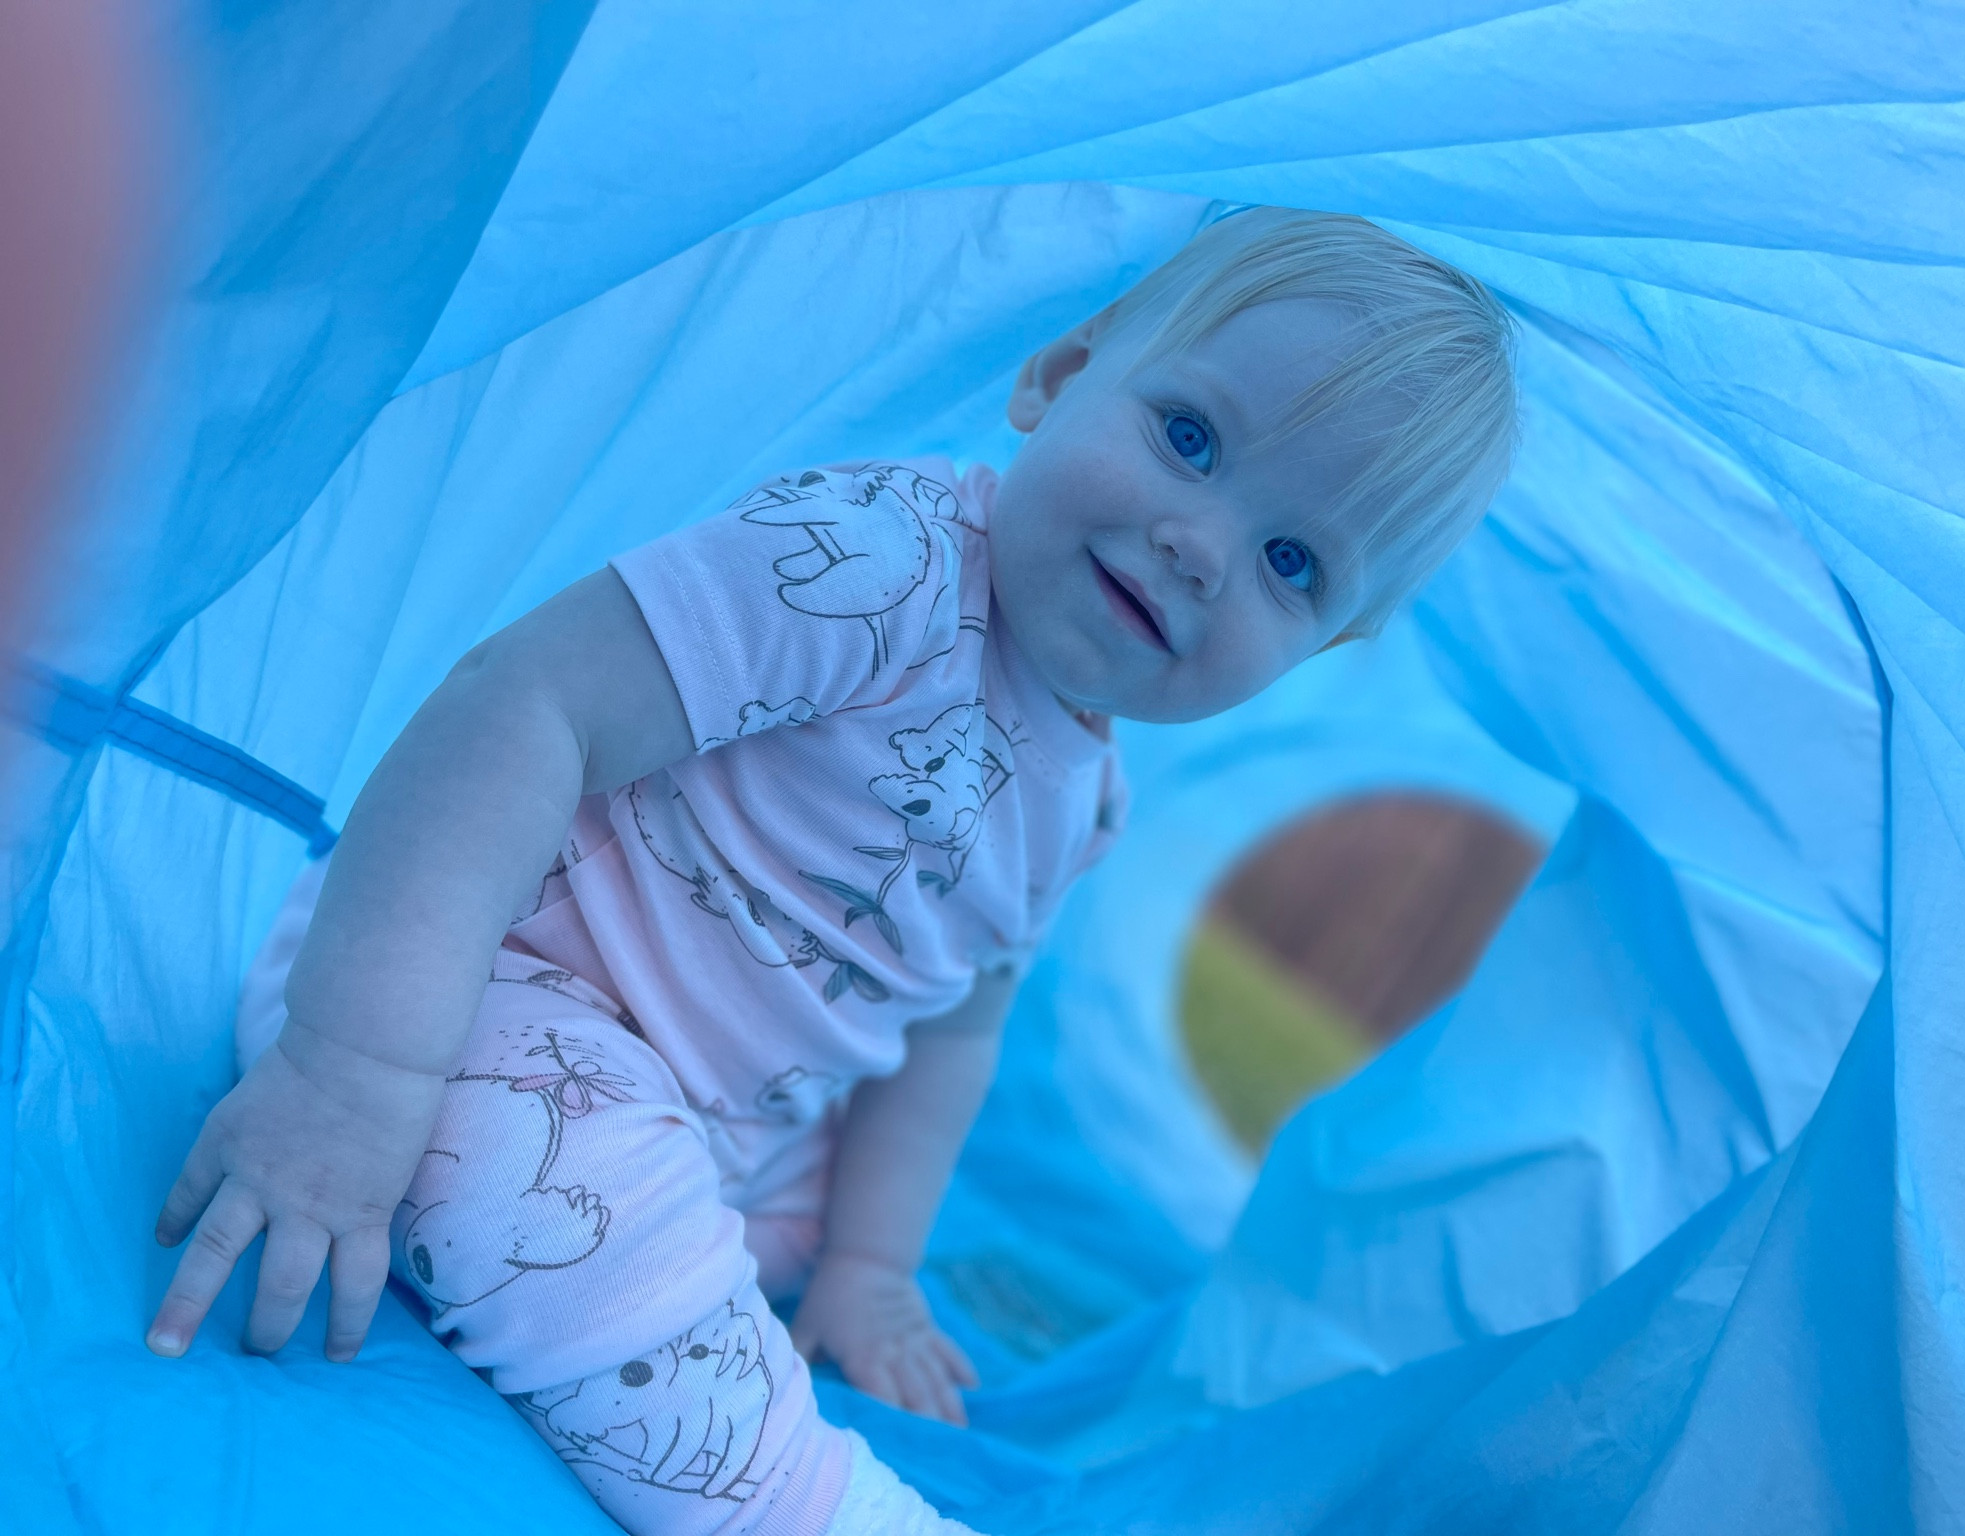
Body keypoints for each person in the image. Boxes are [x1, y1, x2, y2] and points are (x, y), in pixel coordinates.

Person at [144, 207, 1519, 1535]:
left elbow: (948, 1025)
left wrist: (871, 1264)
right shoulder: (884, 563)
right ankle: (794, 1497)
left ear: (1321, 651)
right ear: (1059, 373)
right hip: (473, 1002)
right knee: (550, 1172)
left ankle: (709, 1309)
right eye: (1188, 437)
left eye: (1291, 562)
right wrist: (351, 1073)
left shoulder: (1089, 796)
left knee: (731, 1214)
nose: (1197, 546)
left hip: (713, 1122)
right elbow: (526, 704)